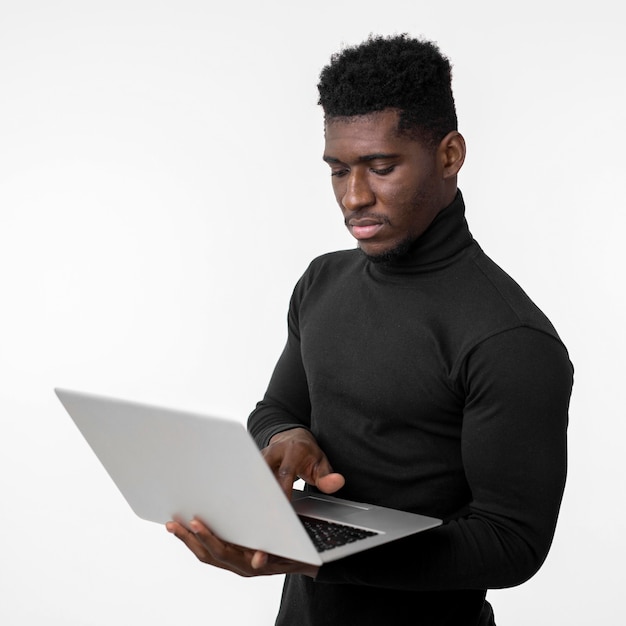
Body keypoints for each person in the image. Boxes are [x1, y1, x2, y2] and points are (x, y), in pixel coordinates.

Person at [166, 34, 574, 625]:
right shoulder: (321, 283)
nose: (355, 197)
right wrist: (285, 439)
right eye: (338, 170)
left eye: (382, 168)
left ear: (450, 155)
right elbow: (275, 409)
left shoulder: (508, 339)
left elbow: (511, 544)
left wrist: (313, 554)